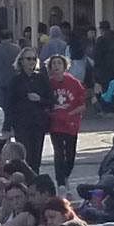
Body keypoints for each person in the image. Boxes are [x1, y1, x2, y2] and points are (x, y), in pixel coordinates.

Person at [45, 54, 86, 193]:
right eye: (54, 63)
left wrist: (69, 114)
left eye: (59, 63)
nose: (56, 66)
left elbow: (82, 105)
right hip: (55, 123)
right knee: (58, 152)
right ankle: (61, 183)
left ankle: (65, 176)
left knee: (70, 154)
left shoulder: (74, 83)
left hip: (71, 124)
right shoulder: (48, 83)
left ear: (64, 66)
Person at [8, 49, 54, 173]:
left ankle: (35, 178)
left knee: (36, 155)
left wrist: (39, 99)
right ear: (21, 61)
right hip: (21, 122)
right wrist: (8, 126)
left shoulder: (42, 79)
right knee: (24, 153)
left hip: (38, 122)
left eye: (34, 59)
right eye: (28, 59)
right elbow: (10, 103)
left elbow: (51, 100)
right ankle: (25, 179)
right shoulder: (15, 80)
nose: (31, 62)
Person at [0, 30, 21, 131]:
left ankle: (3, 124)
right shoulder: (17, 49)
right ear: (11, 37)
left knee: (1, 105)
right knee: (13, 104)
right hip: (14, 81)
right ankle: (11, 124)